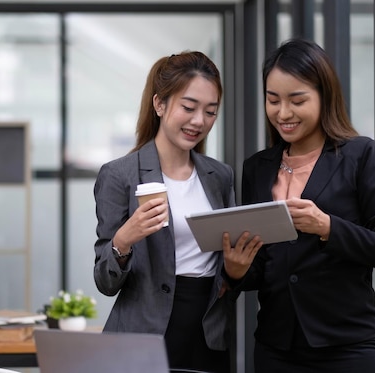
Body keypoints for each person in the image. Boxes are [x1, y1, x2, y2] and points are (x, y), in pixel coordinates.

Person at [222, 38, 375, 372]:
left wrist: (327, 226)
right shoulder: (257, 168)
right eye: (273, 100)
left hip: (348, 348)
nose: (283, 113)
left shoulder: (361, 155)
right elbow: (264, 265)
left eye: (297, 100)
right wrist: (236, 271)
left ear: (324, 96)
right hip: (276, 348)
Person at [93, 50, 262, 373]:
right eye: (188, 107)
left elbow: (228, 270)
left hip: (207, 333)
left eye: (211, 111)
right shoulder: (120, 175)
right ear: (159, 104)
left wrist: (235, 271)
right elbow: (105, 281)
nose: (199, 121)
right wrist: (124, 240)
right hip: (142, 334)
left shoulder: (220, 175)